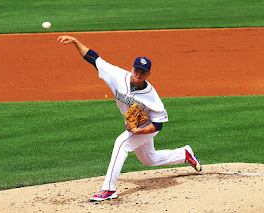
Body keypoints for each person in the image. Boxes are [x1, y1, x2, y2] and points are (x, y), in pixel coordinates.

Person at [57, 35, 202, 202]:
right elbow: (93, 58)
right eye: (136, 71)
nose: (138, 75)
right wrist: (76, 42)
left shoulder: (152, 97)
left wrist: (139, 131)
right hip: (135, 125)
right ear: (132, 69)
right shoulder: (118, 76)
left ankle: (108, 189)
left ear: (148, 74)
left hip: (147, 125)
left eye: (142, 73)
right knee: (149, 159)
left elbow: (158, 124)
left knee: (121, 143)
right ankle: (184, 154)